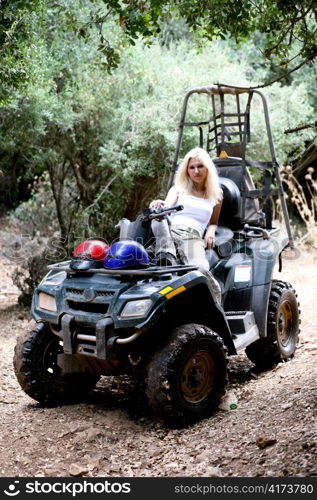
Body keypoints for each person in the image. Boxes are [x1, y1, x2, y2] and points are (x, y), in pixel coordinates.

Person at [150, 147, 223, 304]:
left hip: (191, 237)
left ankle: (216, 311)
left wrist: (211, 230)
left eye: (200, 166)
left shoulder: (216, 195)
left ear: (207, 168)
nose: (196, 171)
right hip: (169, 230)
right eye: (192, 167)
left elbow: (214, 222)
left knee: (201, 270)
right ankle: (167, 255)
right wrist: (158, 204)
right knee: (156, 214)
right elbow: (165, 209)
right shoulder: (178, 190)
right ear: (186, 170)